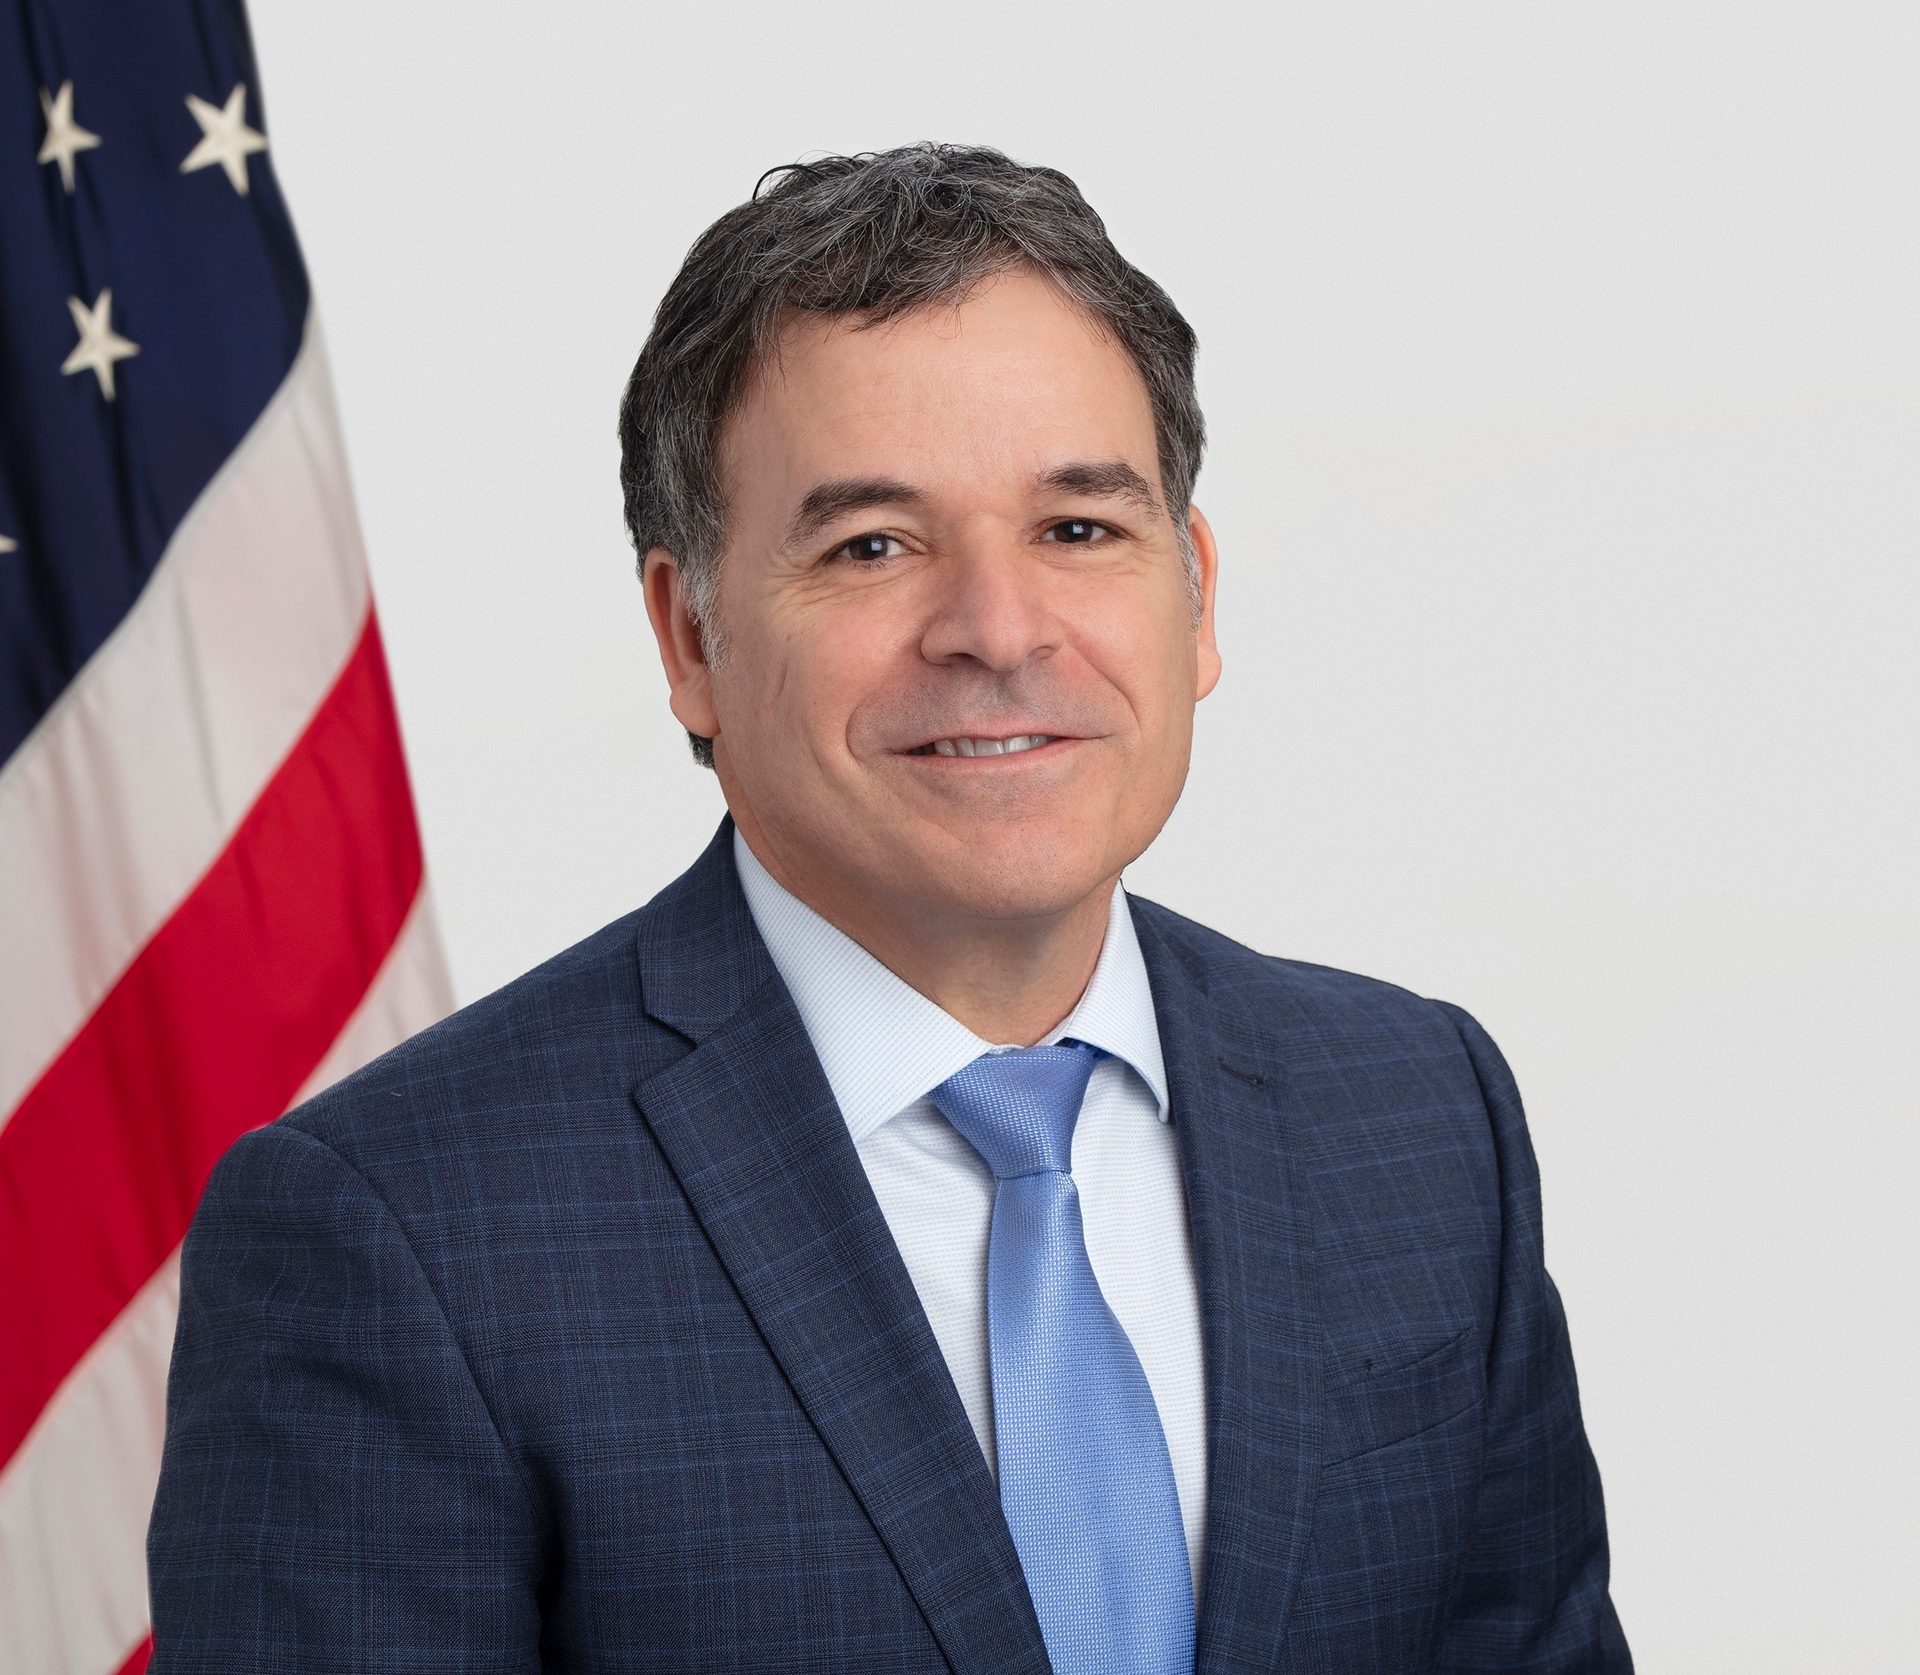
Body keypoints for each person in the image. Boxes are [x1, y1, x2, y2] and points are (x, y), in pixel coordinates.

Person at [147, 143, 1632, 1672]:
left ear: (1194, 591)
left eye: (1078, 529)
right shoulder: (397, 1230)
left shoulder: (1416, 1114)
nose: (998, 629)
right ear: (690, 635)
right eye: (872, 545)